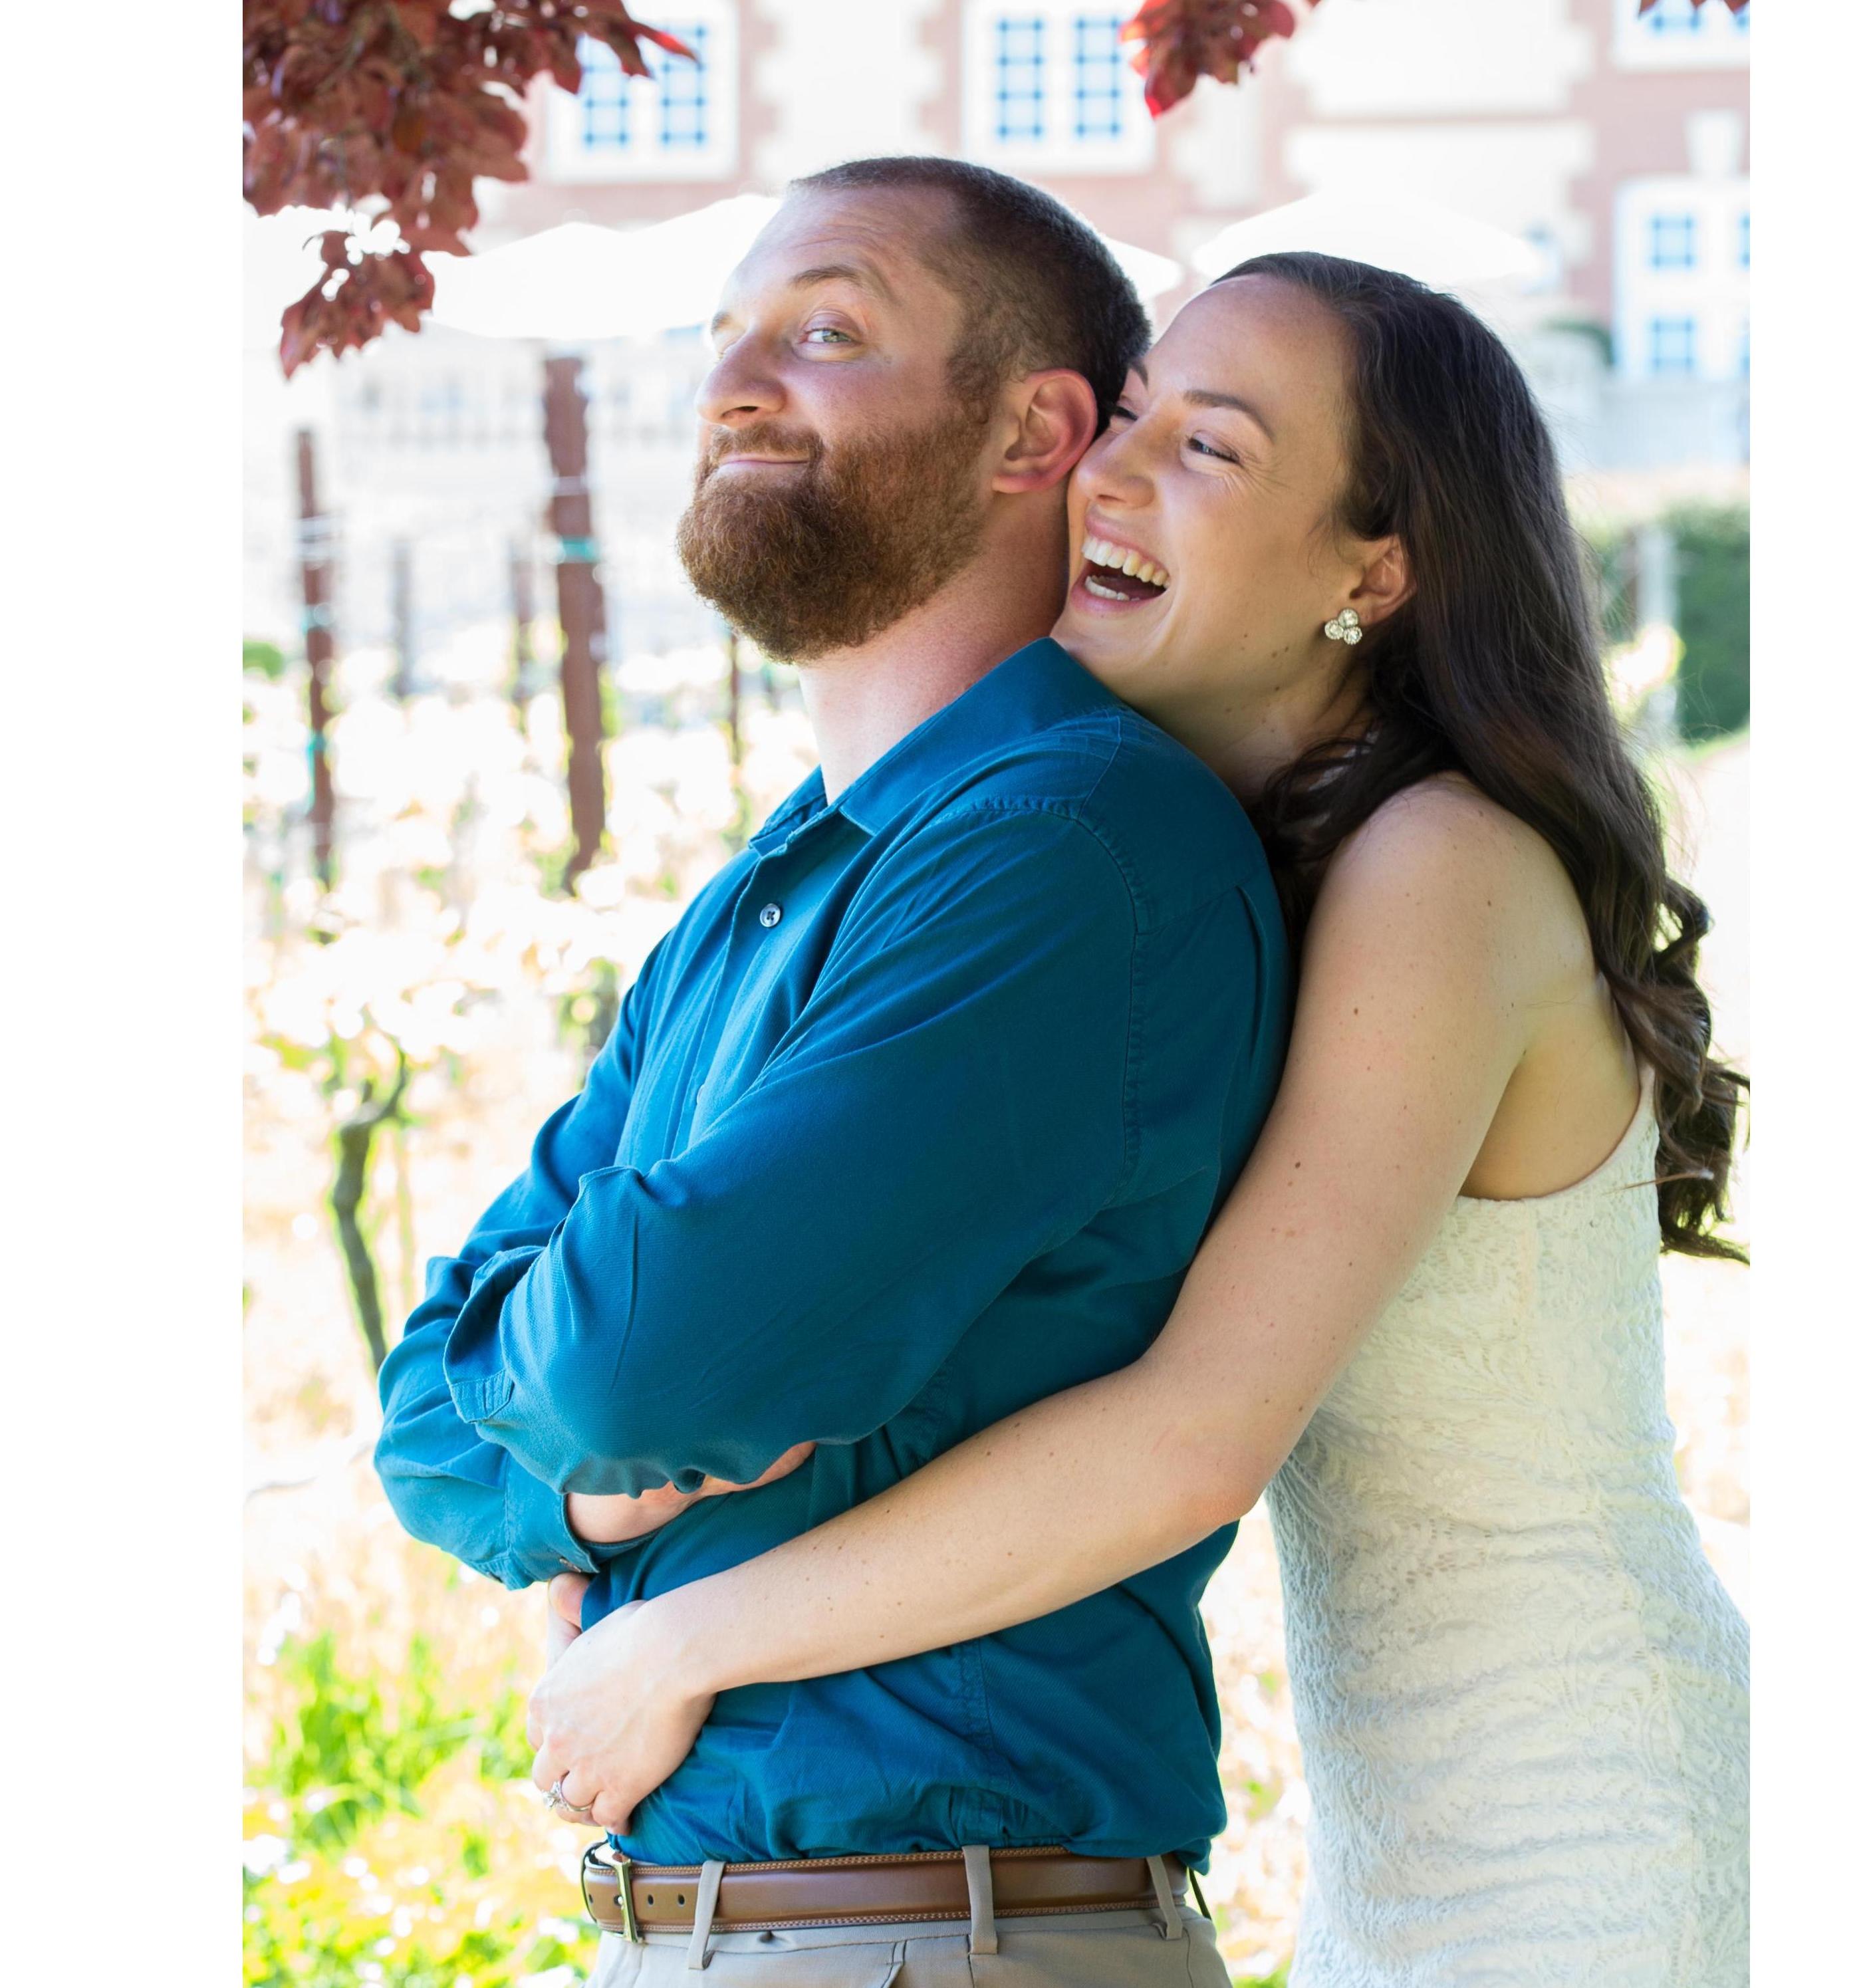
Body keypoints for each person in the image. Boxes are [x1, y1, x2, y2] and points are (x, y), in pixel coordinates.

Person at [526, 252, 1751, 1987]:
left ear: (1375, 568)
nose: (1116, 467)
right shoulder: (1219, 869)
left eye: (1214, 449)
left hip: (1586, 1835)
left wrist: (678, 1648)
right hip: (1395, 1855)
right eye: (1134, 415)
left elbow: (1190, 1435)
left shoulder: (1441, 870)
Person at [374, 156, 1290, 1987]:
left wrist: (602, 1405)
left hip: (935, 1933)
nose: (732, 385)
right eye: (725, 340)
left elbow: (646, 1360)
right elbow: (416, 1412)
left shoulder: (1060, 848)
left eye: (826, 331)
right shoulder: (762, 898)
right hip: (740, 1933)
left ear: (1034, 425)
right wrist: (610, 1491)